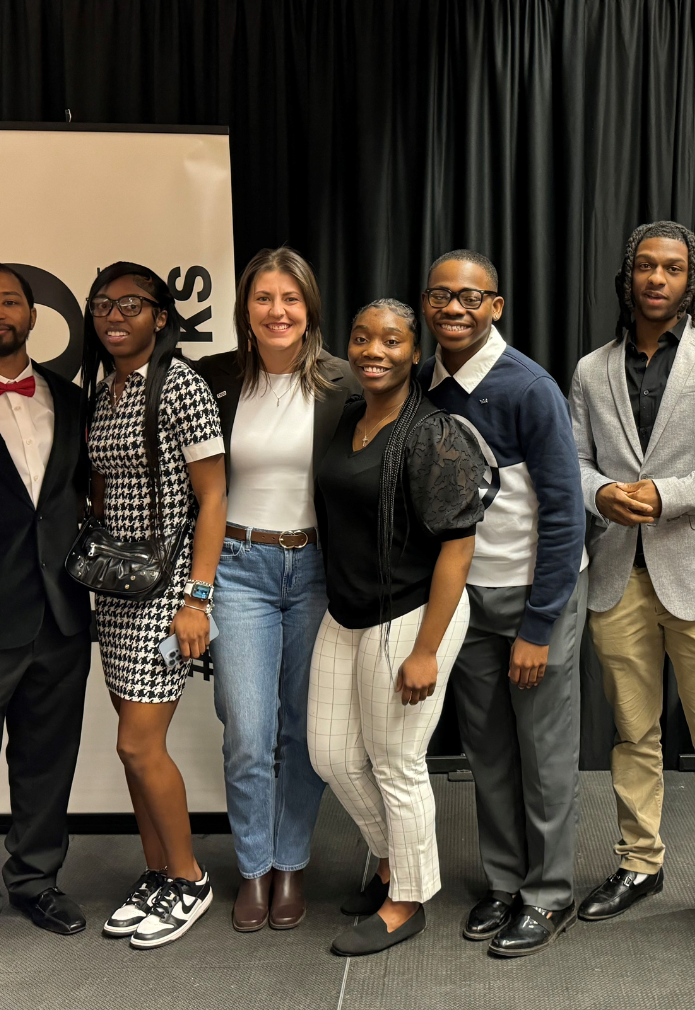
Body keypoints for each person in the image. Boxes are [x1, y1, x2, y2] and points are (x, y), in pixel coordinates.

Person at [568, 221, 695, 959]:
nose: (657, 278)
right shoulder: (593, 369)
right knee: (633, 735)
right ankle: (639, 864)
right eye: (645, 267)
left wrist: (665, 495)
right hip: (618, 577)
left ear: (693, 280)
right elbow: (575, 463)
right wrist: (602, 495)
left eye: (673, 268)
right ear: (628, 278)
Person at [419, 251, 589, 958]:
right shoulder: (424, 385)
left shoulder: (528, 387)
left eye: (470, 296)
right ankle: (504, 881)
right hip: (463, 598)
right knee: (486, 749)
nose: (454, 308)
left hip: (532, 595)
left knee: (543, 754)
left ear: (496, 306)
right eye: (440, 296)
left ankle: (549, 894)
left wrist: (539, 625)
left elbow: (565, 511)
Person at [309, 299, 485, 957]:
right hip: (347, 612)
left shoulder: (434, 433)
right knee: (329, 753)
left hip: (410, 615)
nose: (373, 350)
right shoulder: (349, 418)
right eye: (362, 338)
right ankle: (390, 859)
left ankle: (406, 899)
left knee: (396, 764)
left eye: (390, 340)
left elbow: (458, 548)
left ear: (415, 353)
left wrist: (427, 650)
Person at [194, 248, 360, 933]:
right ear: (246, 308)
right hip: (240, 568)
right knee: (248, 730)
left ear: (310, 307)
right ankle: (253, 867)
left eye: (291, 298)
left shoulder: (344, 383)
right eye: (264, 298)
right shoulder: (216, 379)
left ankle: (290, 863)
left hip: (318, 571)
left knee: (304, 731)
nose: (278, 311)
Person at [0, 263, 92, 975]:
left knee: (45, 764)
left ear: (33, 316)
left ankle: (35, 881)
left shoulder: (70, 398)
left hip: (61, 619)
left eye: (7, 300)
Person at [84, 262, 228, 950]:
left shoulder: (182, 388)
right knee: (134, 753)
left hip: (167, 593)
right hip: (116, 591)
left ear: (161, 317)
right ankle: (156, 872)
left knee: (138, 745)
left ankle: (190, 878)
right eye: (103, 305)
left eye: (131, 304)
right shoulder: (105, 390)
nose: (115, 315)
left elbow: (215, 498)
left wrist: (198, 599)